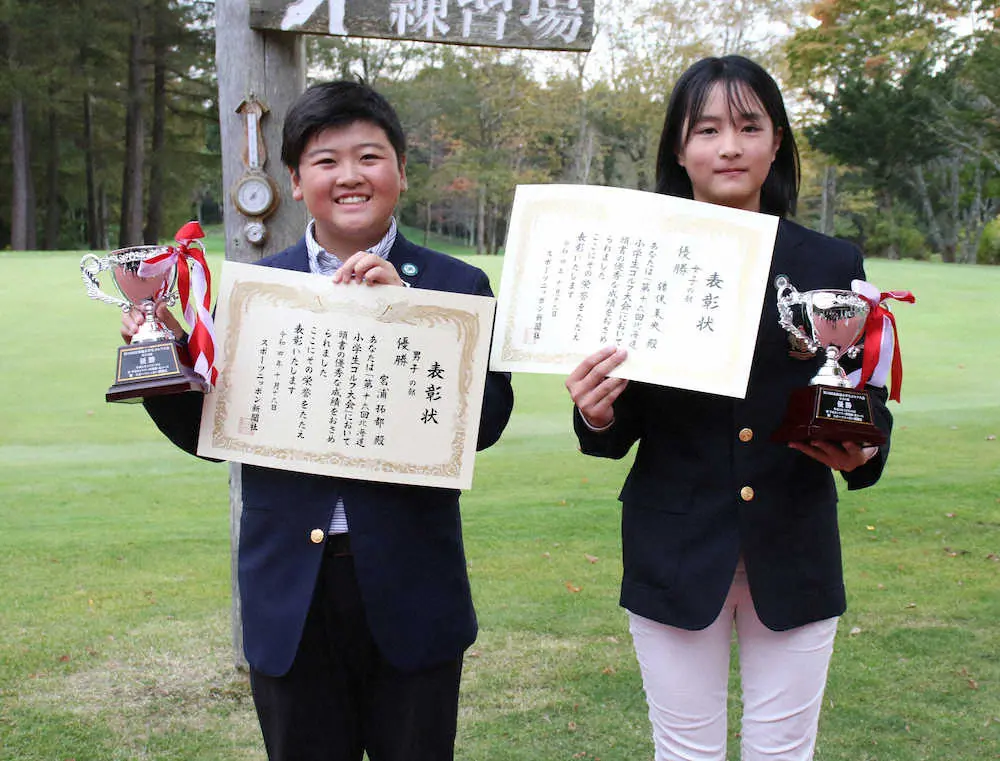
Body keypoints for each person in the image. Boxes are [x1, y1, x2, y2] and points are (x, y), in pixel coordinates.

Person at [122, 81, 514, 761]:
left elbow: (484, 425)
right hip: (291, 598)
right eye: (326, 160)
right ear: (297, 181)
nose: (350, 176)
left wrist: (411, 318)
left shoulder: (457, 284)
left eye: (370, 156)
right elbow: (214, 433)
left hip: (411, 590)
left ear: (399, 171)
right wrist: (163, 358)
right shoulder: (257, 290)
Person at [565, 55, 892, 761]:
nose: (730, 146)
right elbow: (617, 423)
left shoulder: (832, 261)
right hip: (673, 548)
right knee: (685, 752)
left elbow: (862, 389)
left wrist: (864, 445)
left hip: (795, 543)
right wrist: (595, 411)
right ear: (679, 150)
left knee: (783, 753)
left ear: (777, 140)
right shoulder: (637, 257)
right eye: (707, 129)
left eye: (749, 126)